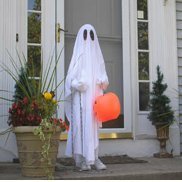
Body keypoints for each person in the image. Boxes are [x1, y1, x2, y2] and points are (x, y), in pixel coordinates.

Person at [65, 24, 109, 171]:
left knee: (93, 128)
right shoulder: (77, 57)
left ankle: (95, 157)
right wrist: (77, 85)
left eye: (91, 35)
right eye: (85, 35)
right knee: (82, 127)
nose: (88, 39)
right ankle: (83, 159)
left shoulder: (98, 58)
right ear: (80, 37)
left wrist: (103, 81)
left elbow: (104, 77)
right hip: (81, 100)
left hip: (94, 100)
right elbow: (69, 80)